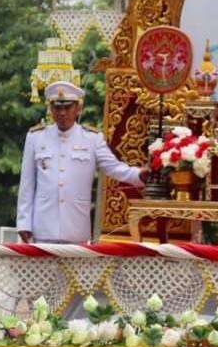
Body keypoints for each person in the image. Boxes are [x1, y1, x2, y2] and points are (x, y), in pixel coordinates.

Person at [16, 81, 149, 244]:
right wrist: (23, 222)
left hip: (76, 227)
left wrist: (139, 175)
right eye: (57, 107)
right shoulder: (36, 137)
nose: (62, 113)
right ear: (51, 109)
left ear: (78, 108)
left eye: (67, 107)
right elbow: (27, 184)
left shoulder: (92, 139)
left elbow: (113, 168)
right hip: (43, 227)